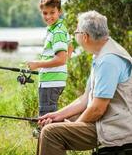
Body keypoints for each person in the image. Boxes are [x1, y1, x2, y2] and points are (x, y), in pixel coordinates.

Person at [38, 10, 132, 155]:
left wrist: (74, 126)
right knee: (54, 123)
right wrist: (57, 115)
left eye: (76, 31)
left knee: (51, 133)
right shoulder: (101, 54)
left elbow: (97, 109)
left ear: (85, 36)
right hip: (106, 121)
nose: (74, 34)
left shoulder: (108, 61)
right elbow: (85, 99)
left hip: (116, 129)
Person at [27, 0, 73, 116]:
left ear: (60, 11)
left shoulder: (57, 31)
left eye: (52, 12)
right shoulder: (60, 28)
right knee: (51, 117)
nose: (48, 16)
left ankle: (47, 135)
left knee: (46, 119)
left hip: (51, 83)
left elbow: (61, 59)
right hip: (55, 81)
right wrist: (58, 70)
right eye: (45, 13)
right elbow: (70, 47)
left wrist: (38, 64)